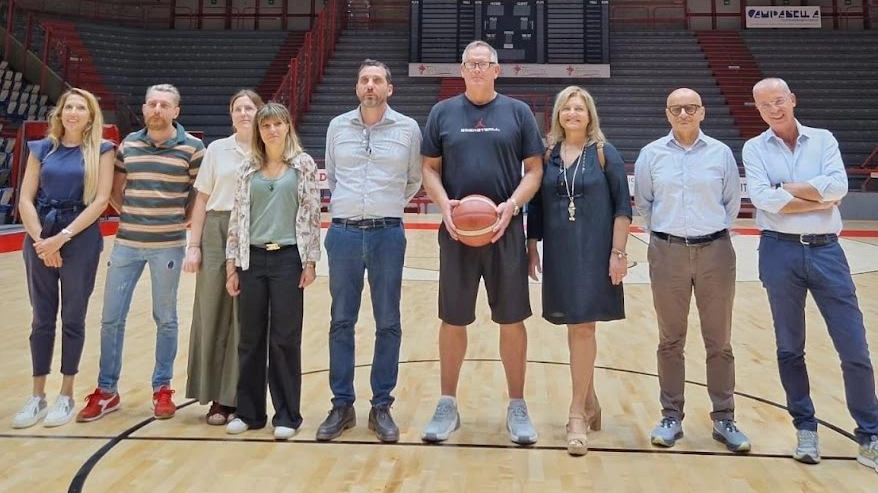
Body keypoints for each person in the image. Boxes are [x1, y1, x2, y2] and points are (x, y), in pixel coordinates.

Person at [742, 77, 878, 469]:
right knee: (789, 347)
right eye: (765, 104)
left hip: (827, 253)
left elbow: (839, 187)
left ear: (792, 99)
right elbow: (765, 200)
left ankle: (869, 432)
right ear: (758, 108)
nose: (773, 108)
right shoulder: (754, 147)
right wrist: (817, 199)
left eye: (779, 100)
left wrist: (788, 192)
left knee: (854, 347)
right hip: (778, 252)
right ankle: (806, 427)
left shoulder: (823, 139)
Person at [420, 40, 545, 445]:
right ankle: (447, 404)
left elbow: (535, 171)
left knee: (512, 319)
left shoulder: (518, 112)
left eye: (484, 63)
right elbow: (429, 169)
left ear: (497, 69)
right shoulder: (442, 113)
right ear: (461, 70)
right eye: (470, 64)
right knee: (452, 318)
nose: (477, 69)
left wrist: (511, 205)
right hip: (457, 233)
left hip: (505, 232)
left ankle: (517, 405)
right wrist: (445, 206)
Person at [76, 84, 204, 422]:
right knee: (111, 318)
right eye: (152, 104)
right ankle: (107, 390)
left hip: (168, 246)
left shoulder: (193, 148)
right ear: (144, 108)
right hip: (127, 244)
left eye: (165, 105)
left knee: (165, 319)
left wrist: (181, 220)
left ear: (177, 111)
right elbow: (116, 191)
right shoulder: (128, 144)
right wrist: (133, 214)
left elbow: (197, 197)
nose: (157, 109)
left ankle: (162, 388)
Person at [634, 87, 750, 453]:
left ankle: (725, 418)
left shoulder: (720, 154)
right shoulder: (650, 154)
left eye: (690, 108)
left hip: (716, 250)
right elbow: (645, 205)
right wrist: (672, 236)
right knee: (670, 340)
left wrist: (707, 233)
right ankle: (671, 416)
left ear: (703, 112)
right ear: (667, 114)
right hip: (666, 252)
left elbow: (731, 203)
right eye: (676, 108)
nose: (684, 113)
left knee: (720, 342)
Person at [316, 59, 422, 443]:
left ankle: (381, 406)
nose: (370, 86)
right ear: (357, 88)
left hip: (387, 233)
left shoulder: (409, 129)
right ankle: (342, 405)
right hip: (342, 233)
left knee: (388, 322)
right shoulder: (336, 127)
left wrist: (384, 207)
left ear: (389, 89)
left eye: (377, 80)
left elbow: (413, 180)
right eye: (364, 80)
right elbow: (333, 173)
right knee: (341, 321)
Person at [525, 86, 630, 455]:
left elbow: (622, 208)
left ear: (590, 116)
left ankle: (576, 415)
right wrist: (531, 245)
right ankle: (592, 402)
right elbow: (535, 207)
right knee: (573, 326)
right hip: (560, 253)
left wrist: (618, 253)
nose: (572, 113)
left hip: (596, 250)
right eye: (566, 108)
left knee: (584, 327)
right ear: (557, 115)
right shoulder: (549, 155)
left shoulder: (604, 153)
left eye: (579, 109)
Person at [11, 88, 115, 428]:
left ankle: (66, 394)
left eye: (80, 108)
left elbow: (101, 202)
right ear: (60, 113)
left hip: (79, 239)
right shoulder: (41, 149)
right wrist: (42, 240)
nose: (72, 112)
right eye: (68, 106)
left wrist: (62, 238)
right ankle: (37, 395)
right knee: (41, 318)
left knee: (73, 317)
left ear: (90, 116)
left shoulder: (102, 150)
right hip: (40, 237)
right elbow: (26, 198)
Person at [223, 102, 321, 440]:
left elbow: (311, 213)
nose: (272, 130)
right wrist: (231, 265)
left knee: (284, 339)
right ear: (259, 132)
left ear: (288, 127)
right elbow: (237, 218)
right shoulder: (247, 169)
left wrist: (310, 261)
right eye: (266, 126)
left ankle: (287, 415)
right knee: (249, 339)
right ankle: (249, 413)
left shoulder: (303, 165)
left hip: (288, 259)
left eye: (278, 124)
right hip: (251, 259)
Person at [183, 89, 264, 426]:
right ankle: (214, 395)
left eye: (250, 108)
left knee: (243, 316)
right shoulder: (216, 149)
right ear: (231, 115)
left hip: (255, 230)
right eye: (238, 108)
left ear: (260, 113)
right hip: (217, 228)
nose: (244, 113)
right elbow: (201, 199)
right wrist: (194, 244)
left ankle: (235, 396)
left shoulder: (270, 149)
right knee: (211, 310)